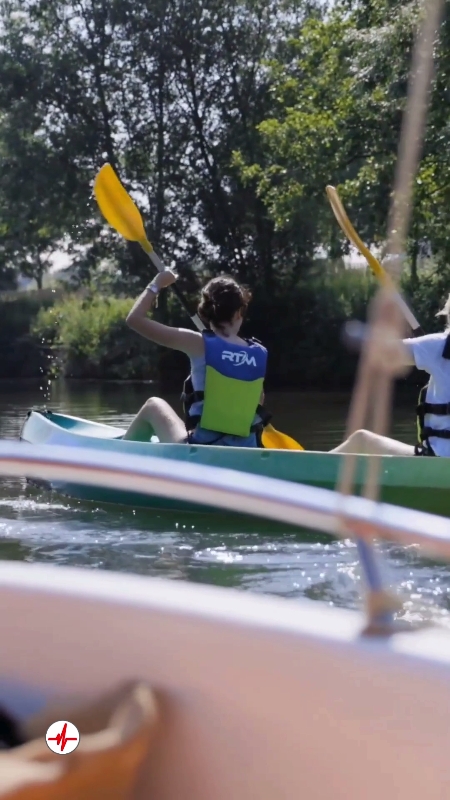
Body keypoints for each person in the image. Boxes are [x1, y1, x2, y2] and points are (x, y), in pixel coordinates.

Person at [123, 270, 270, 446]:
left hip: (202, 447)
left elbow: (134, 320)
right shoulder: (258, 352)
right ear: (239, 312)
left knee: (153, 405)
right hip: (246, 450)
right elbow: (258, 401)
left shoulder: (197, 343)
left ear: (205, 311)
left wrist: (156, 284)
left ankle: (119, 462)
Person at [330, 294, 450, 457]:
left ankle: (303, 470)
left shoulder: (438, 346)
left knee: (361, 440)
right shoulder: (437, 348)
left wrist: (359, 333)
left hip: (437, 462)